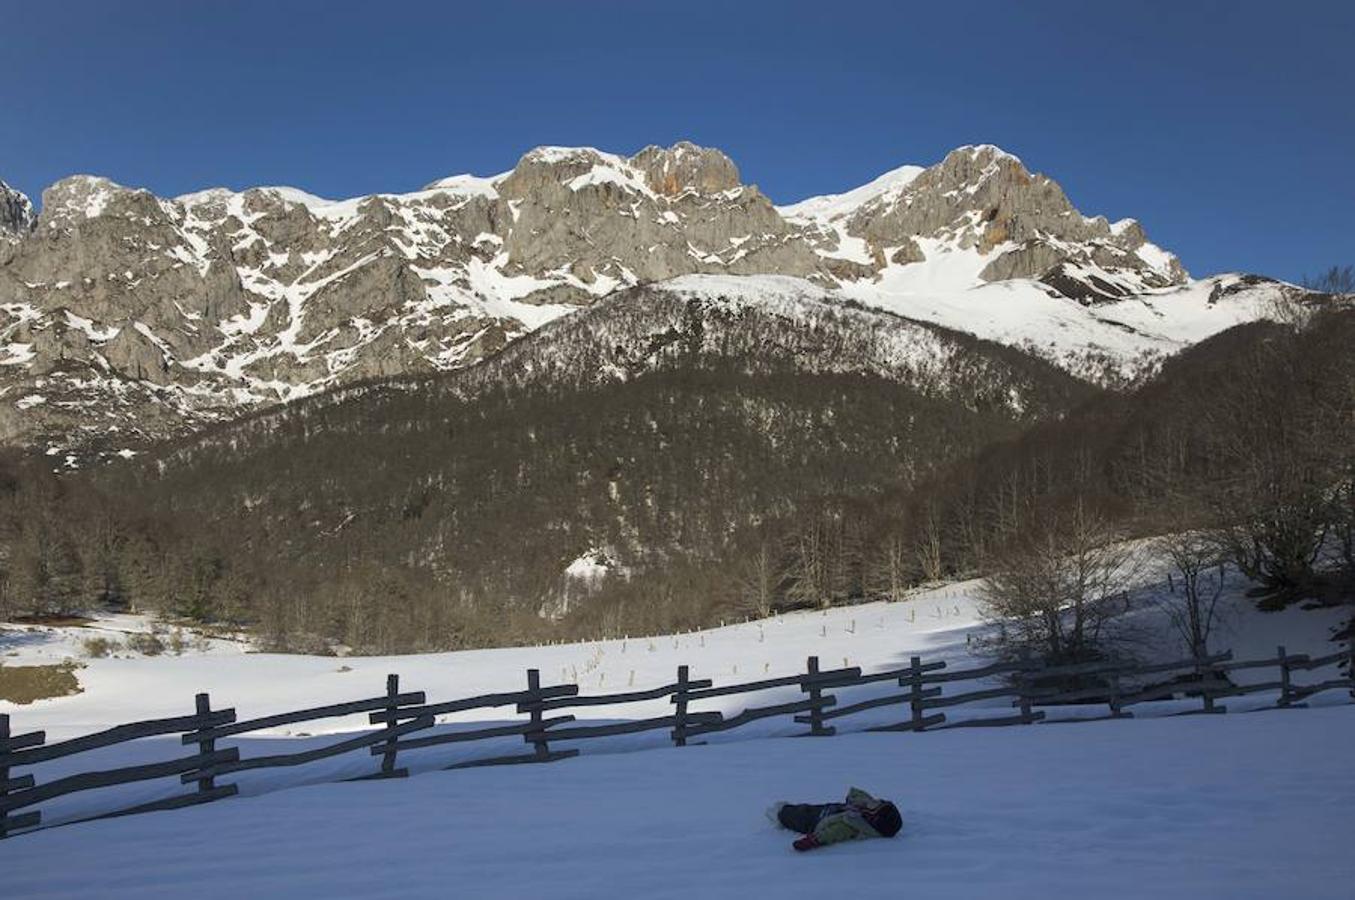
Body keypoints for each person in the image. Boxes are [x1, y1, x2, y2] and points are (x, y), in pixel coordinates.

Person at [767, 787, 902, 852]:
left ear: (875, 818)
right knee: (805, 808)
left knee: (794, 816)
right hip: (831, 810)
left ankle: (778, 814)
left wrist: (811, 841)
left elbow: (832, 834)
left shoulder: (854, 825)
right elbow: (854, 793)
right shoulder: (864, 809)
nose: (875, 801)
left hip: (817, 822)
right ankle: (785, 809)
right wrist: (862, 802)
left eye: (877, 804)